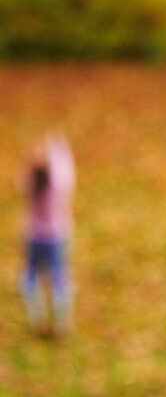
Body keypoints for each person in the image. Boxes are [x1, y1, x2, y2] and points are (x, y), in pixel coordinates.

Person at [22, 131, 76, 338]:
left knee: (31, 278)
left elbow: (26, 172)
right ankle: (62, 322)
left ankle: (38, 318)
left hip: (34, 235)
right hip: (56, 236)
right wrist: (59, 148)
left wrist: (35, 156)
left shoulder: (31, 183)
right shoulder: (57, 185)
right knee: (59, 278)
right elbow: (67, 173)